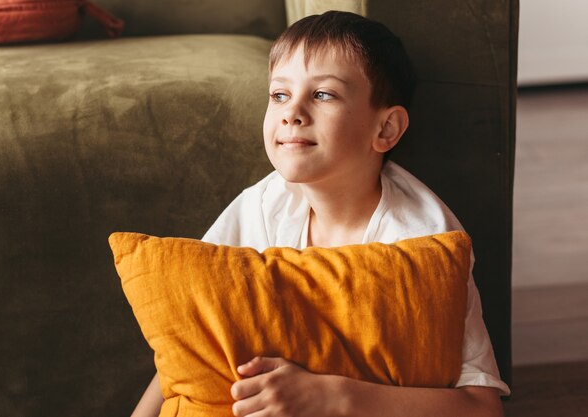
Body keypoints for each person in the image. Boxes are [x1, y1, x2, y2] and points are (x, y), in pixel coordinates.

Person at [132, 10, 510, 417]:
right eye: (279, 95)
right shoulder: (263, 204)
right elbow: (187, 330)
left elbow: (482, 407)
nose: (291, 112)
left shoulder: (424, 239)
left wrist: (336, 397)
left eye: (323, 94)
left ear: (385, 130)